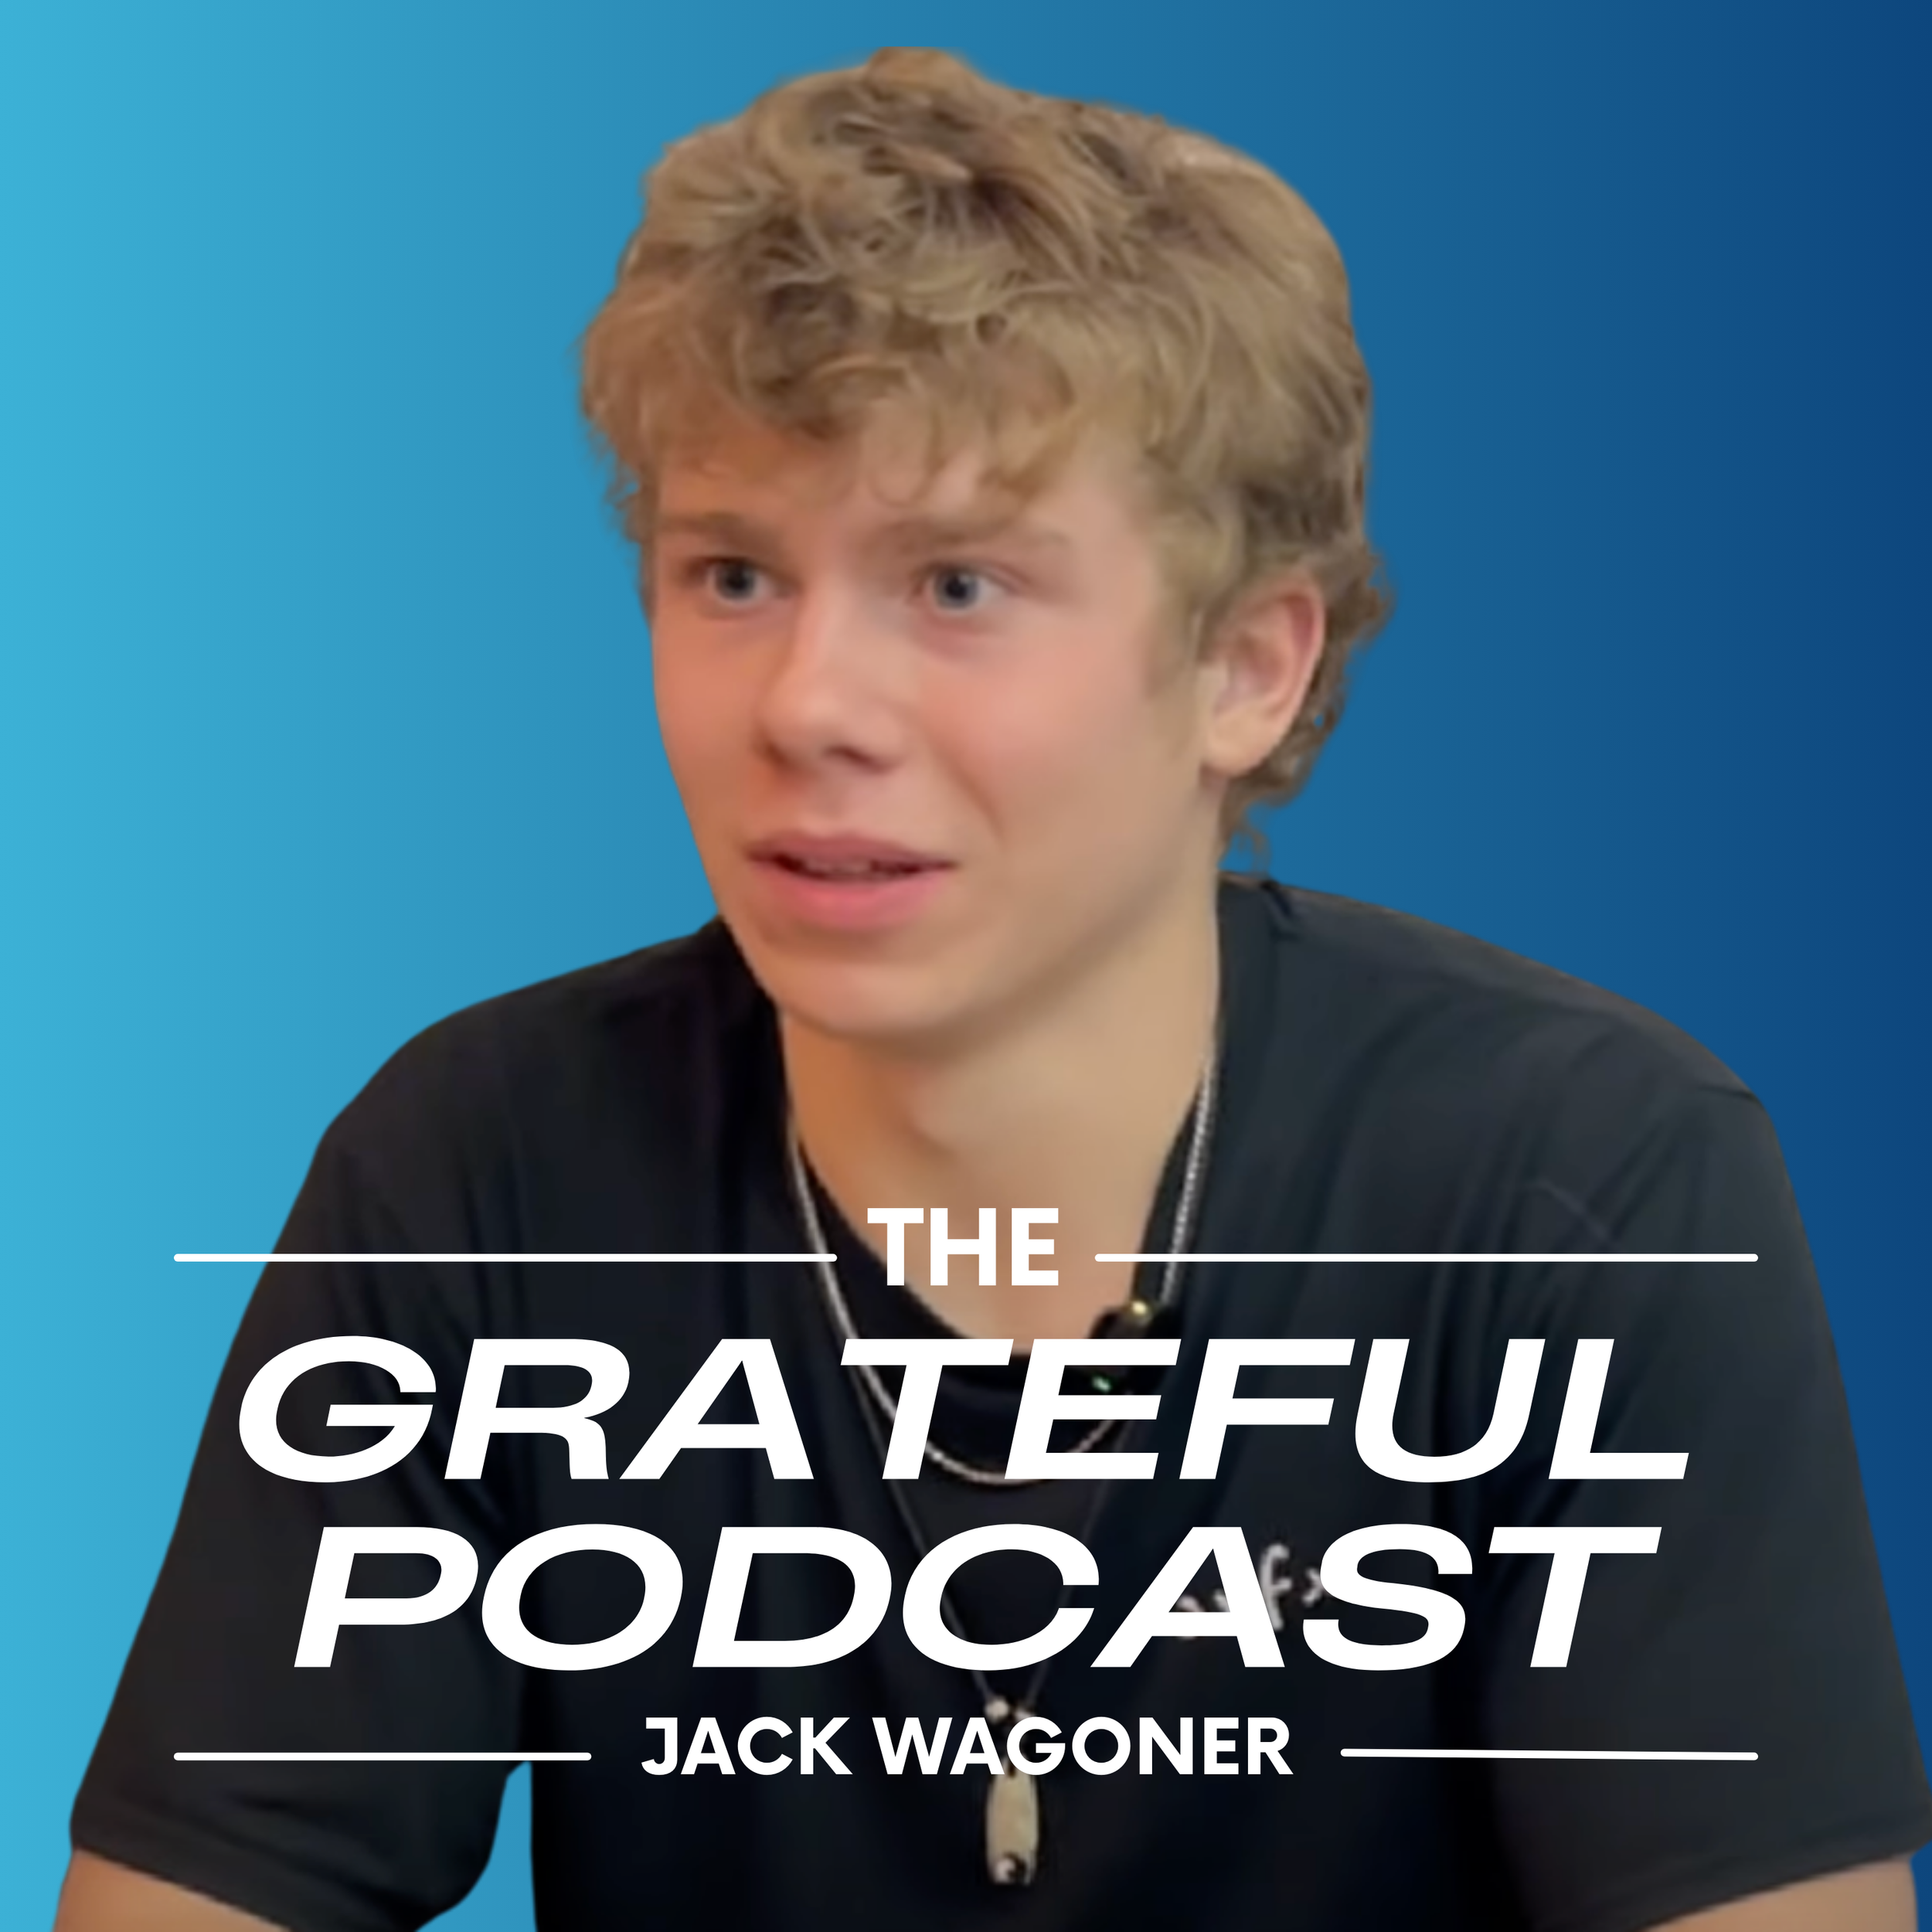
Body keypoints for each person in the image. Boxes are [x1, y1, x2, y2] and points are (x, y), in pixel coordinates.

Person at [57, 44, 1928, 1932]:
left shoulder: (1580, 1184)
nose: (805, 705)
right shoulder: (483, 1171)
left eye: (956, 585)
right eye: (731, 575)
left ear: (1245, 667)